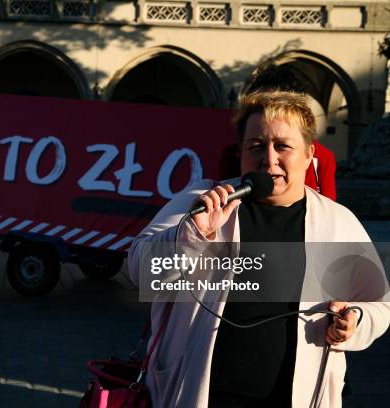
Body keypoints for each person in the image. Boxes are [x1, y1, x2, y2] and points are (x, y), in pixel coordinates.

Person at [128, 91, 389, 407]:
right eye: (256, 146)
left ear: (308, 155)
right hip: (200, 393)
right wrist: (192, 235)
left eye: (283, 146)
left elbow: (380, 302)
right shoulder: (199, 201)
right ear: (241, 153)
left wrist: (356, 320)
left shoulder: (337, 221)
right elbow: (141, 273)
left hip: (294, 397)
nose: (269, 158)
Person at [219, 63, 337, 200]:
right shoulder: (232, 153)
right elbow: (225, 196)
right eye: (260, 103)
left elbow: (327, 207)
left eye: (276, 103)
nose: (270, 160)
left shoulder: (322, 157)